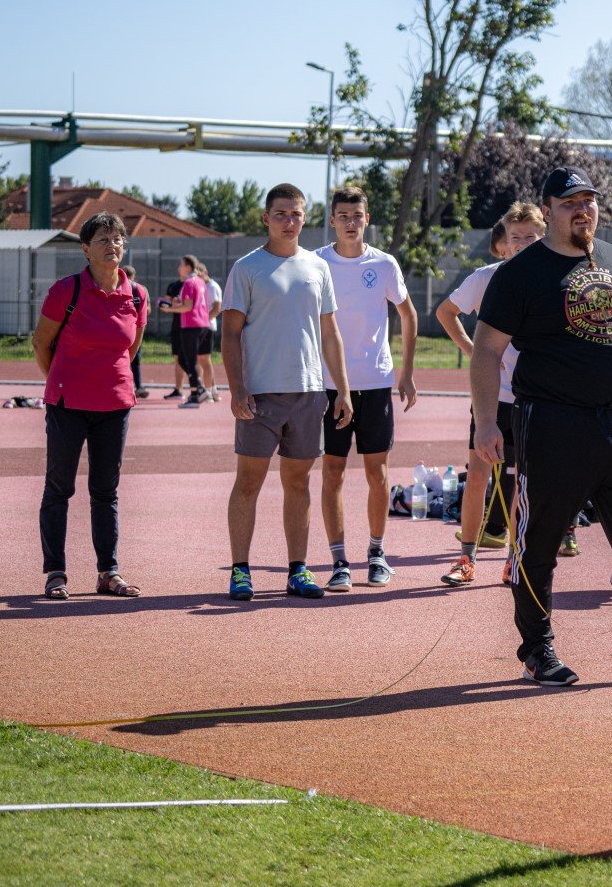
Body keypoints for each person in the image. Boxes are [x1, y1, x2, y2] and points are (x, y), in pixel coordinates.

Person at [472, 165, 612, 688]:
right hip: (550, 423)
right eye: (571, 201)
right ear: (548, 208)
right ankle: (537, 649)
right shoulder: (521, 273)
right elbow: (486, 349)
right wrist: (487, 421)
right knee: (540, 543)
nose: (583, 209)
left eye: (590, 200)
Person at [221, 183, 354, 602]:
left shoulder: (317, 267)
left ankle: (298, 570)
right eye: (280, 213)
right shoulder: (247, 267)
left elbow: (330, 333)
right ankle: (240, 570)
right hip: (259, 395)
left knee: (299, 484)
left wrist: (343, 390)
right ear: (266, 218)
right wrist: (237, 387)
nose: (289, 221)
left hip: (309, 393)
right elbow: (229, 333)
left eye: (296, 214)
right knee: (249, 483)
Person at [30, 213, 149, 600]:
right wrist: (62, 382)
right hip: (67, 404)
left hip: (115, 405)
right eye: (102, 239)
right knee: (59, 488)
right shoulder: (66, 291)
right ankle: (56, 573)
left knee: (106, 491)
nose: (112, 245)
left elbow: (131, 348)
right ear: (85, 249)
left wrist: (111, 380)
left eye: (117, 239)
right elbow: (40, 344)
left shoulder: (137, 295)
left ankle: (108, 572)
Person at [435, 204, 551, 587]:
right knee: (478, 475)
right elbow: (446, 313)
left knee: (525, 482)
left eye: (530, 237)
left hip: (537, 398)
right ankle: (466, 557)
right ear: (504, 245)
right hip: (492, 398)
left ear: (544, 236)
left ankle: (514, 558)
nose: (522, 244)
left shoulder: (557, 279)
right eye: (515, 237)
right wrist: (475, 354)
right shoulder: (486, 279)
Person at [315, 185, 419, 591]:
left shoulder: (385, 264)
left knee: (377, 474)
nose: (351, 222)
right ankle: (339, 561)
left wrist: (405, 372)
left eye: (357, 216)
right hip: (328, 385)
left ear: (367, 219)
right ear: (332, 220)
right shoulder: (317, 263)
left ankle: (377, 554)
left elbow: (408, 317)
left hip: (376, 383)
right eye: (343, 215)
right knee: (333, 473)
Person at [158, 255, 211, 406]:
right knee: (183, 358)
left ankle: (196, 394)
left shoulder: (188, 282)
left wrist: (170, 309)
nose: (179, 268)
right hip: (202, 324)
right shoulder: (201, 281)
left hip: (191, 324)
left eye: (181, 265)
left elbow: (188, 306)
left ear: (188, 266)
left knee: (190, 359)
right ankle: (199, 388)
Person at [196, 259, 223, 403]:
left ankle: (208, 392)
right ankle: (212, 390)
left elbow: (217, 308)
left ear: (205, 272)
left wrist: (203, 320)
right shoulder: (200, 286)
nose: (197, 278)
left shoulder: (212, 286)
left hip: (207, 327)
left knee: (204, 360)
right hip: (200, 327)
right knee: (203, 360)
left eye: (199, 274)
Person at [121, 264, 150, 399]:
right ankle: (127, 385)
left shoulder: (139, 290)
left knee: (135, 358)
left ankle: (138, 386)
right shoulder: (116, 287)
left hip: (134, 330)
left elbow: (147, 310)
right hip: (123, 331)